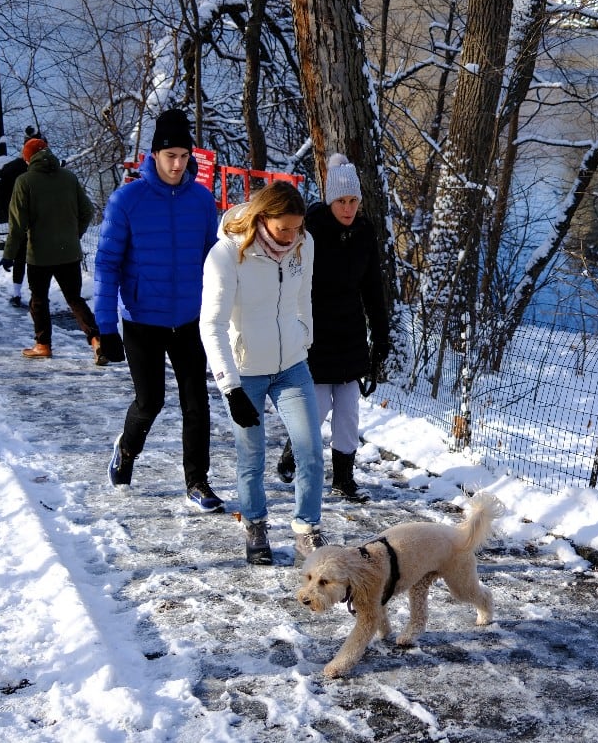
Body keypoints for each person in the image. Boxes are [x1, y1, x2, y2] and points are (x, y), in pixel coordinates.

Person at [94, 108, 222, 512]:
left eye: (184, 156)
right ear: (155, 155)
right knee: (150, 401)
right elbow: (106, 264)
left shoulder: (201, 201)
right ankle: (127, 449)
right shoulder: (127, 200)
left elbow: (213, 260)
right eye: (170, 156)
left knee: (196, 402)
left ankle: (197, 481)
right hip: (142, 320)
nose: (178, 164)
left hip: (189, 318)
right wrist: (105, 327)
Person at [200, 179, 327, 565]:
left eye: (297, 227)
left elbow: (304, 296)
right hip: (245, 373)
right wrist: (230, 387)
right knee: (251, 455)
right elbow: (211, 325)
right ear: (262, 218)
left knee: (310, 450)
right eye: (283, 228)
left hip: (292, 366)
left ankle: (307, 530)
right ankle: (255, 523)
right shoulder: (226, 254)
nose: (291, 236)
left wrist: (304, 337)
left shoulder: (304, 244)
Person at [276, 153, 391, 503]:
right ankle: (293, 451)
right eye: (342, 201)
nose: (348, 208)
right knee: (317, 407)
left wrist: (380, 336)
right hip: (315, 331)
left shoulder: (364, 231)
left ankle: (344, 478)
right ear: (330, 200)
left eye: (354, 200)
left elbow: (373, 287)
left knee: (348, 411)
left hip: (351, 332)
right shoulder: (311, 229)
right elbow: (290, 280)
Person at [0, 137, 103, 361]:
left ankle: (43, 345)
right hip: (69, 252)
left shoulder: (24, 181)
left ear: (28, 159)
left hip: (39, 255)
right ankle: (97, 340)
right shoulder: (69, 177)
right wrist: (74, 234)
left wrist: (9, 254)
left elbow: (17, 224)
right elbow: (87, 211)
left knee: (39, 300)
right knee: (74, 298)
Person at [0, 126, 43, 308]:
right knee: (37, 260)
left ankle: (16, 293)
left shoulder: (11, 168)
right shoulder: (45, 171)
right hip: (40, 219)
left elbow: (3, 192)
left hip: (18, 217)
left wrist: (7, 212)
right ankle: (37, 295)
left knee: (20, 256)